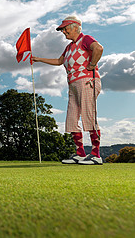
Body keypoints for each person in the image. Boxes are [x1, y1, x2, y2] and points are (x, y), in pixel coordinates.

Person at [32, 15, 104, 165]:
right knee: (72, 119)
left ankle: (96, 155)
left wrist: (92, 65)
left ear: (76, 27)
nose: (63, 32)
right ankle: (80, 154)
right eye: (62, 30)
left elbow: (98, 48)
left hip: (87, 81)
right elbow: (59, 61)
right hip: (73, 84)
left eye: (65, 28)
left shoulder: (85, 39)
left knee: (88, 116)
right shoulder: (69, 47)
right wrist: (38, 59)